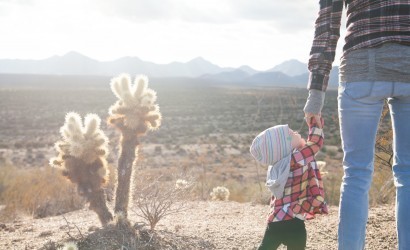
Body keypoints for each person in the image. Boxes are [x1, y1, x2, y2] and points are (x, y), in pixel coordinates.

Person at [304, 1, 410, 249]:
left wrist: (316, 94)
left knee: (356, 173)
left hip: (361, 66)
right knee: (408, 173)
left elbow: (327, 25)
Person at [250, 117, 328, 250]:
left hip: (275, 220)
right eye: (292, 133)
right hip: (293, 221)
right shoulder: (295, 158)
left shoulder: (276, 166)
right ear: (286, 145)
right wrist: (314, 123)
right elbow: (315, 143)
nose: (296, 132)